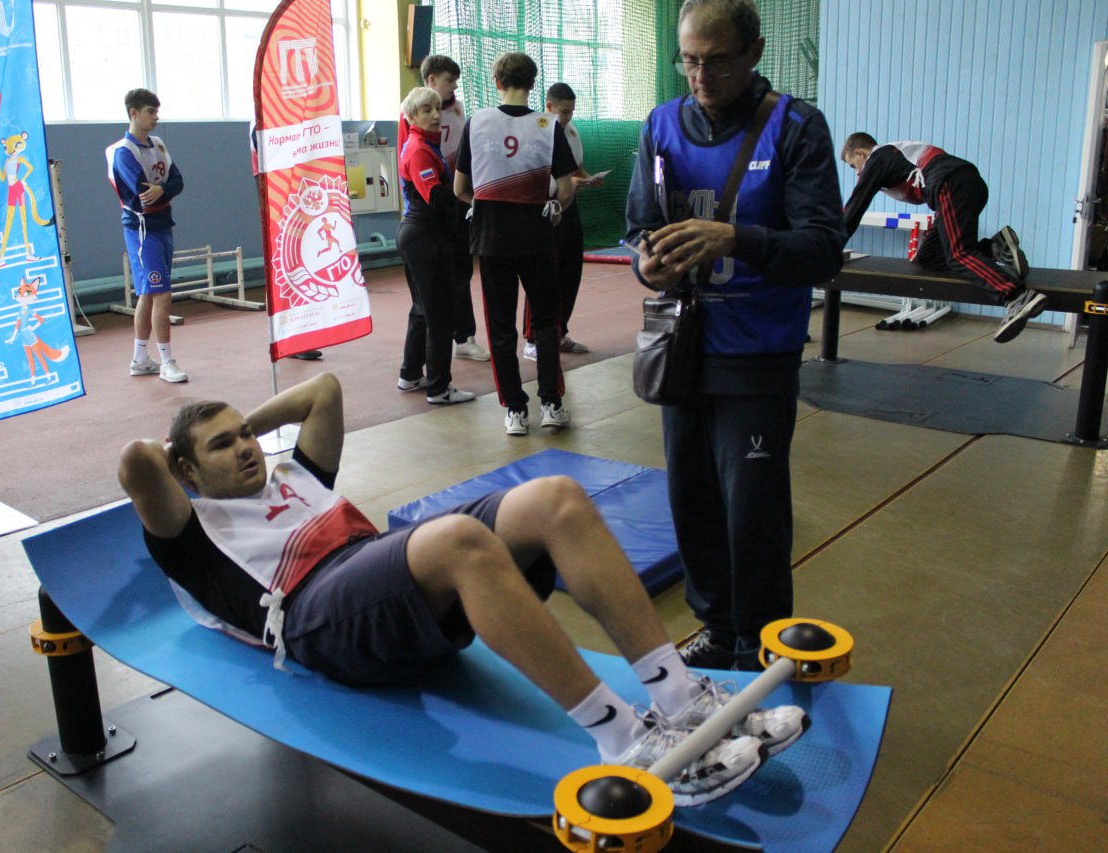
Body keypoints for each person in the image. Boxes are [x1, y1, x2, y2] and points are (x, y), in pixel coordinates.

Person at [118, 372, 809, 807]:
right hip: (318, 619)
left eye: (245, 435)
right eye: (222, 445)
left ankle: (680, 696)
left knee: (555, 498)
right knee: (457, 541)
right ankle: (626, 741)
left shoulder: (293, 475)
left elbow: (323, 390)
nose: (244, 448)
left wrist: (247, 435)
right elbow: (137, 460)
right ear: (185, 467)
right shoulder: (192, 531)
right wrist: (186, 459)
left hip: (382, 575)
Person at [624, 0, 846, 669]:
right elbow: (638, 226)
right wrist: (646, 260)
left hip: (756, 356)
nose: (700, 74)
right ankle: (718, 631)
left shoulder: (796, 127)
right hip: (684, 347)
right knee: (690, 504)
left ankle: (761, 642)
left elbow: (823, 250)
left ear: (754, 52)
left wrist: (737, 238)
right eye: (689, 59)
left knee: (752, 514)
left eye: (716, 59)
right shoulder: (661, 124)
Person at [455, 53, 576, 437]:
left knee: (501, 326)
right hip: (538, 238)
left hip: (492, 241)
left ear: (496, 82)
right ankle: (552, 404)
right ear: (533, 84)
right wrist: (554, 205)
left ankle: (515, 411)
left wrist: (487, 203)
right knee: (544, 322)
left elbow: (460, 189)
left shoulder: (477, 122)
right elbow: (568, 187)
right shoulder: (548, 125)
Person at [840, 132, 1044, 343]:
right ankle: (995, 248)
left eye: (853, 166)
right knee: (928, 259)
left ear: (860, 153)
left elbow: (855, 207)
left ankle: (1016, 296)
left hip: (950, 184)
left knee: (959, 255)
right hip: (966, 183)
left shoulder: (878, 158)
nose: (857, 174)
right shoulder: (894, 153)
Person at [398, 56, 490, 363]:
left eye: (437, 109)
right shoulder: (411, 120)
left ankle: (463, 336)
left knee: (462, 272)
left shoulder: (459, 110)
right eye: (449, 80)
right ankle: (427, 368)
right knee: (430, 294)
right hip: (430, 214)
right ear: (433, 80)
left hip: (456, 204)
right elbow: (408, 164)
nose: (435, 115)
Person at [395, 87, 475, 405]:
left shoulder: (429, 145)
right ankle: (440, 387)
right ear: (412, 116)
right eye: (426, 109)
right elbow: (435, 196)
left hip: (422, 236)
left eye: (437, 108)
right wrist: (469, 192)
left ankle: (410, 374)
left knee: (422, 310)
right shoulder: (418, 150)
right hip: (424, 238)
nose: (434, 115)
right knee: (439, 314)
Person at [107, 88, 188, 383]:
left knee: (147, 294)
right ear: (134, 113)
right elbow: (143, 195)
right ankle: (167, 362)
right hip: (142, 230)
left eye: (157, 111)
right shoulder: (123, 153)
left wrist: (164, 189)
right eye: (151, 112)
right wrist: (159, 191)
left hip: (164, 225)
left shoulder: (159, 145)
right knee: (161, 294)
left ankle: (140, 359)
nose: (156, 117)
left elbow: (177, 181)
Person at [523, 83, 603, 362]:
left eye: (571, 111)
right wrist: (569, 184)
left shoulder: (569, 131)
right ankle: (533, 339)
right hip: (547, 209)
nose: (568, 116)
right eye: (564, 111)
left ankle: (560, 331)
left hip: (570, 207)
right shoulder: (537, 132)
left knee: (571, 270)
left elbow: (575, 169)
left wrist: (588, 178)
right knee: (544, 275)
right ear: (549, 107)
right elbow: (537, 175)